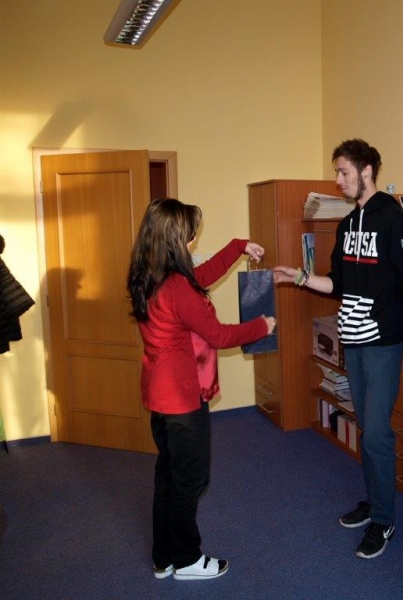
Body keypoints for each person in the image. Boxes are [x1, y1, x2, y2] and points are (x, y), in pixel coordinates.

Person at [274, 139, 403, 559]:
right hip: (353, 339)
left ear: (366, 170)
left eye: (343, 172)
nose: (338, 180)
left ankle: (384, 518)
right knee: (365, 425)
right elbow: (336, 283)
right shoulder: (346, 225)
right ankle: (374, 502)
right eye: (337, 173)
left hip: (382, 342)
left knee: (376, 433)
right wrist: (299, 277)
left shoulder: (393, 219)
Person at [127, 198, 276, 581]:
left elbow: (202, 276)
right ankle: (187, 559)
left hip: (160, 394)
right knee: (190, 481)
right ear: (177, 239)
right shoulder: (176, 287)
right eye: (191, 236)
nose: (194, 241)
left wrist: (238, 247)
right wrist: (262, 326)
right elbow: (219, 335)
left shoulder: (151, 273)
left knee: (169, 474)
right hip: (181, 399)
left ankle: (164, 557)